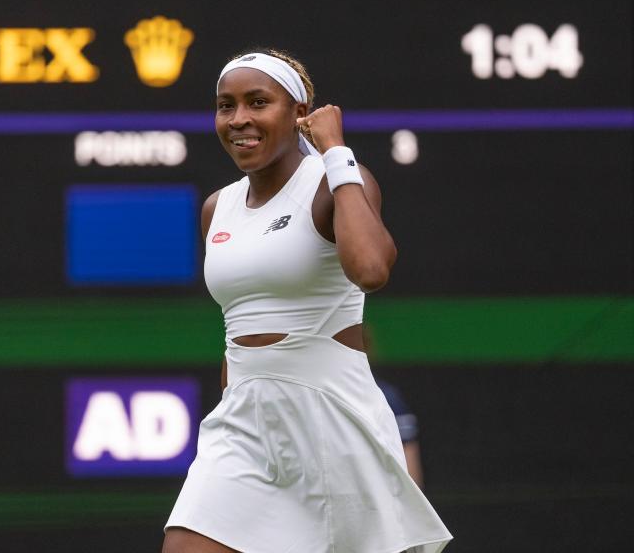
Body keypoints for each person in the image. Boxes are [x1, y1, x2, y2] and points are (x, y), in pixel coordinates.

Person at [161, 50, 452, 553]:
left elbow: (371, 270)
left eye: (258, 102)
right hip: (244, 423)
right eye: (225, 106)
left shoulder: (333, 181)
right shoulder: (217, 208)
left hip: (331, 419)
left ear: (300, 112)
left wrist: (336, 152)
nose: (239, 120)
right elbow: (237, 326)